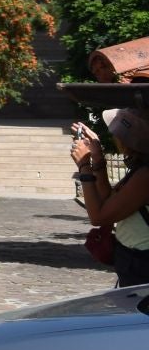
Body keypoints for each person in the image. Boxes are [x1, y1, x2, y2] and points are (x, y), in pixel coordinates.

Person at [72, 109, 149, 287]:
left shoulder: (145, 176)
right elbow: (109, 199)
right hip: (134, 261)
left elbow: (99, 216)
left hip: (141, 265)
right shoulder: (140, 168)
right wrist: (98, 157)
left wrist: (84, 166)